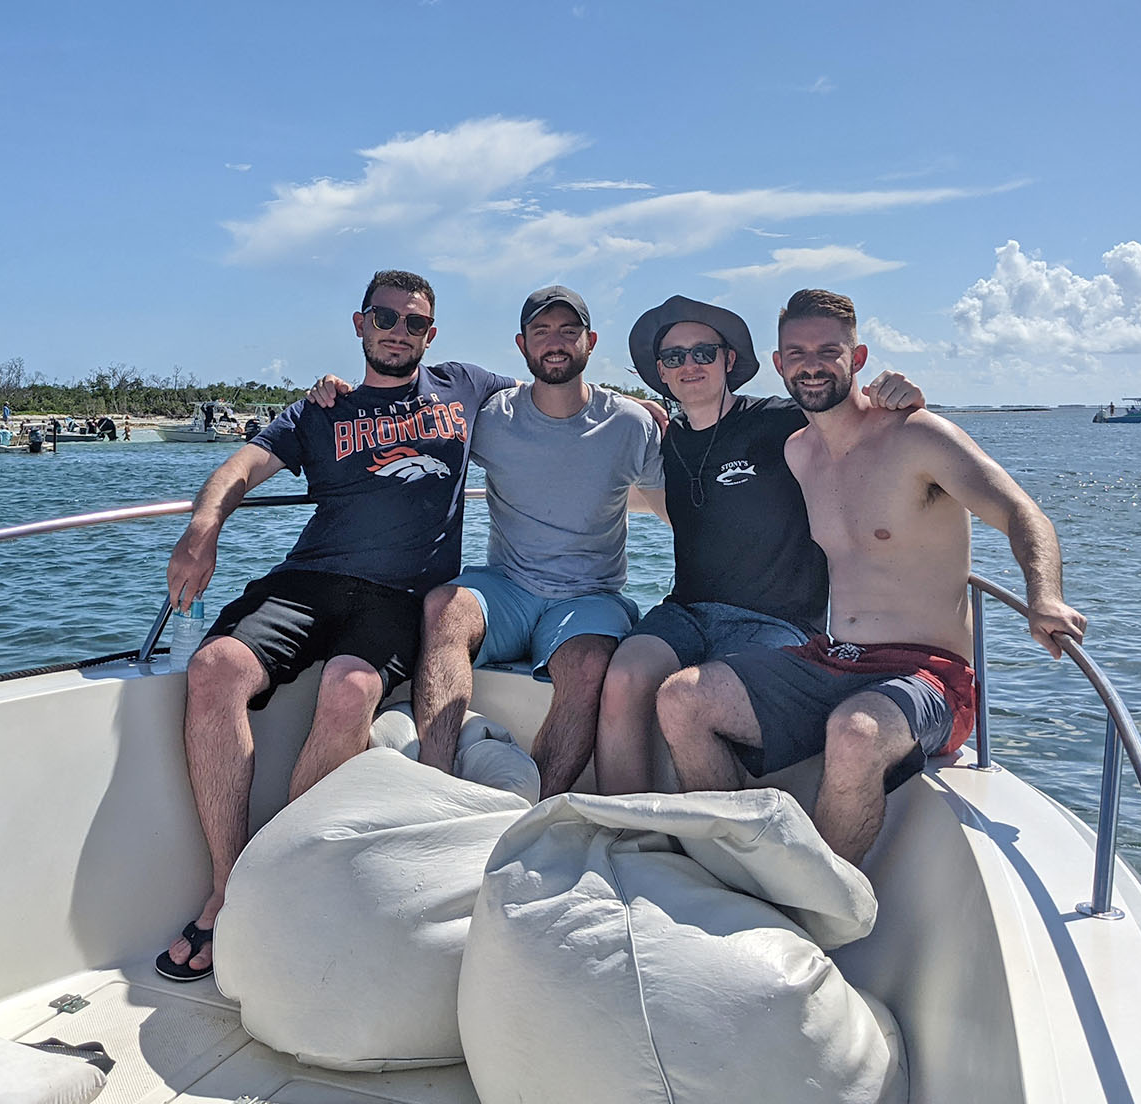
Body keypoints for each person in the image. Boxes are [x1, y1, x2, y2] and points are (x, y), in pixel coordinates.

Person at [155, 270, 514, 982]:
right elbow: (242, 465)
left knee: (350, 691)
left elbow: (555, 394)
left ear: (431, 334)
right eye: (385, 317)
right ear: (360, 323)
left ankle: (278, 878)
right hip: (308, 581)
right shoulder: (323, 407)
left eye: (414, 322)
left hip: (398, 595)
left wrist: (638, 407)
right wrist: (205, 524)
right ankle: (229, 887)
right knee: (214, 668)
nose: (398, 331)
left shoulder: (465, 385)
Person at [657, 289, 1086, 864]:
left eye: (828, 351)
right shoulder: (797, 453)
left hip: (931, 674)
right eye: (797, 353)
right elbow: (714, 471)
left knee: (855, 733)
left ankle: (814, 903)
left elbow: (1020, 511)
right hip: (836, 658)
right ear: (779, 364)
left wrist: (1045, 596)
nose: (811, 365)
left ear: (857, 359)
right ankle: (736, 866)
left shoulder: (918, 437)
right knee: (681, 699)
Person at [594, 295, 922, 794]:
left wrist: (901, 400)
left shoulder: (782, 422)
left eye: (703, 352)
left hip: (776, 622)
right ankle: (623, 828)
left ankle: (726, 838)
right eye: (675, 357)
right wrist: (625, 403)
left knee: (699, 703)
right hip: (685, 612)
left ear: (729, 360)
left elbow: (857, 423)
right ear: (661, 372)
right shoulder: (666, 439)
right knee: (623, 679)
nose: (689, 364)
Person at [410, 286, 666, 798]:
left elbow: (677, 513)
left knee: (589, 665)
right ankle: (435, 789)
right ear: (522, 344)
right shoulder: (491, 418)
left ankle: (534, 810)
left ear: (591, 342)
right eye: (541, 331)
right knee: (443, 609)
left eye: (569, 331)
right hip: (508, 586)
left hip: (590, 596)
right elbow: (406, 411)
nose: (555, 342)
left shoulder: (630, 423)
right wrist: (335, 393)